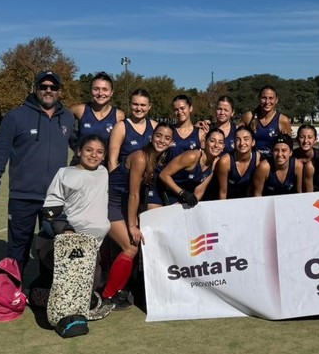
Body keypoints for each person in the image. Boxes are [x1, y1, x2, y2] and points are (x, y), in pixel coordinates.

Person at [0, 70, 75, 269]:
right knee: (18, 249)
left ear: (59, 91)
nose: (48, 90)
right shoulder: (16, 116)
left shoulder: (68, 118)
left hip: (55, 197)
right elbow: (0, 151)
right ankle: (12, 286)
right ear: (36, 89)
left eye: (53, 87)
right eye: (44, 87)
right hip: (22, 196)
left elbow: (82, 149)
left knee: (51, 249)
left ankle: (45, 287)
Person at [100, 123, 174, 311]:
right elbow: (134, 194)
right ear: (151, 136)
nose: (162, 140)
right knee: (130, 247)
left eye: (167, 138)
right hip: (111, 202)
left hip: (123, 202)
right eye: (159, 135)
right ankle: (108, 295)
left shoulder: (157, 158)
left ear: (171, 142)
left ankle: (120, 290)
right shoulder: (141, 158)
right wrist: (132, 225)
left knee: (134, 246)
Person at [40, 135, 111, 323]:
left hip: (95, 243)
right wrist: (65, 229)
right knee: (69, 285)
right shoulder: (65, 173)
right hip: (72, 240)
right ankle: (43, 299)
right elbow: (51, 209)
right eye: (89, 150)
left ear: (104, 156)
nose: (94, 155)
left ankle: (81, 306)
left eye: (99, 152)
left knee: (92, 280)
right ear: (79, 151)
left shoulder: (104, 172)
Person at [158, 128, 225, 206]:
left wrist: (190, 202)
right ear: (205, 142)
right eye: (212, 141)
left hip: (182, 198)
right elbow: (163, 174)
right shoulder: (192, 156)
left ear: (223, 147)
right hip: (164, 192)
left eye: (220, 142)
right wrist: (182, 193)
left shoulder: (214, 163)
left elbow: (199, 190)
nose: (216, 145)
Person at [68, 72, 125, 163]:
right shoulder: (79, 110)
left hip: (104, 167)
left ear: (111, 93)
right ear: (91, 90)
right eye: (96, 89)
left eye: (105, 89)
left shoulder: (119, 115)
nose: (100, 93)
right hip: (79, 165)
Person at [108, 88, 154, 172]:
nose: (138, 108)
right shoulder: (120, 127)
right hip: (125, 177)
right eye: (135, 104)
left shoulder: (155, 126)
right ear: (130, 104)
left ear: (149, 106)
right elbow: (112, 161)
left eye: (143, 105)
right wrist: (114, 178)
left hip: (149, 178)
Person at [240, 85, 293, 159]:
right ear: (259, 98)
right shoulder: (249, 117)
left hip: (272, 161)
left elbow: (288, 147)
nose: (267, 102)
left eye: (271, 98)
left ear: (276, 100)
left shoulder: (283, 120)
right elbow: (236, 136)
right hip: (252, 161)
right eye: (264, 98)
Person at [215, 126, 260, 199]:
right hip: (230, 199)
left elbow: (258, 192)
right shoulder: (225, 162)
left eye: (246, 139)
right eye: (238, 140)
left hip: (249, 199)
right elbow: (223, 192)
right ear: (234, 143)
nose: (242, 143)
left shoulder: (259, 160)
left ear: (253, 142)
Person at [168, 94, 205, 159]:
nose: (179, 112)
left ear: (190, 108)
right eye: (176, 109)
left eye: (182, 108)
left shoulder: (200, 133)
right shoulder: (169, 131)